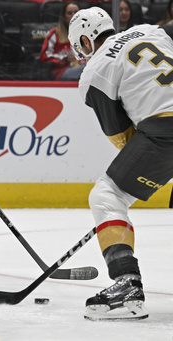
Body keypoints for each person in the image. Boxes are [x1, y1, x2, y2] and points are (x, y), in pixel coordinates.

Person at [68, 6, 173, 321]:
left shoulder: (95, 70)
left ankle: (126, 282)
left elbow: (120, 134)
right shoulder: (151, 30)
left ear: (86, 41)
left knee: (107, 196)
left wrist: (151, 167)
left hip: (163, 131)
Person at [40, 2, 85, 81]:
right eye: (69, 13)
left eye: (76, 13)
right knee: (86, 70)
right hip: (62, 71)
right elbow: (44, 56)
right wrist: (64, 58)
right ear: (64, 16)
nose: (73, 16)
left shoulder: (87, 34)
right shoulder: (55, 33)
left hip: (83, 70)